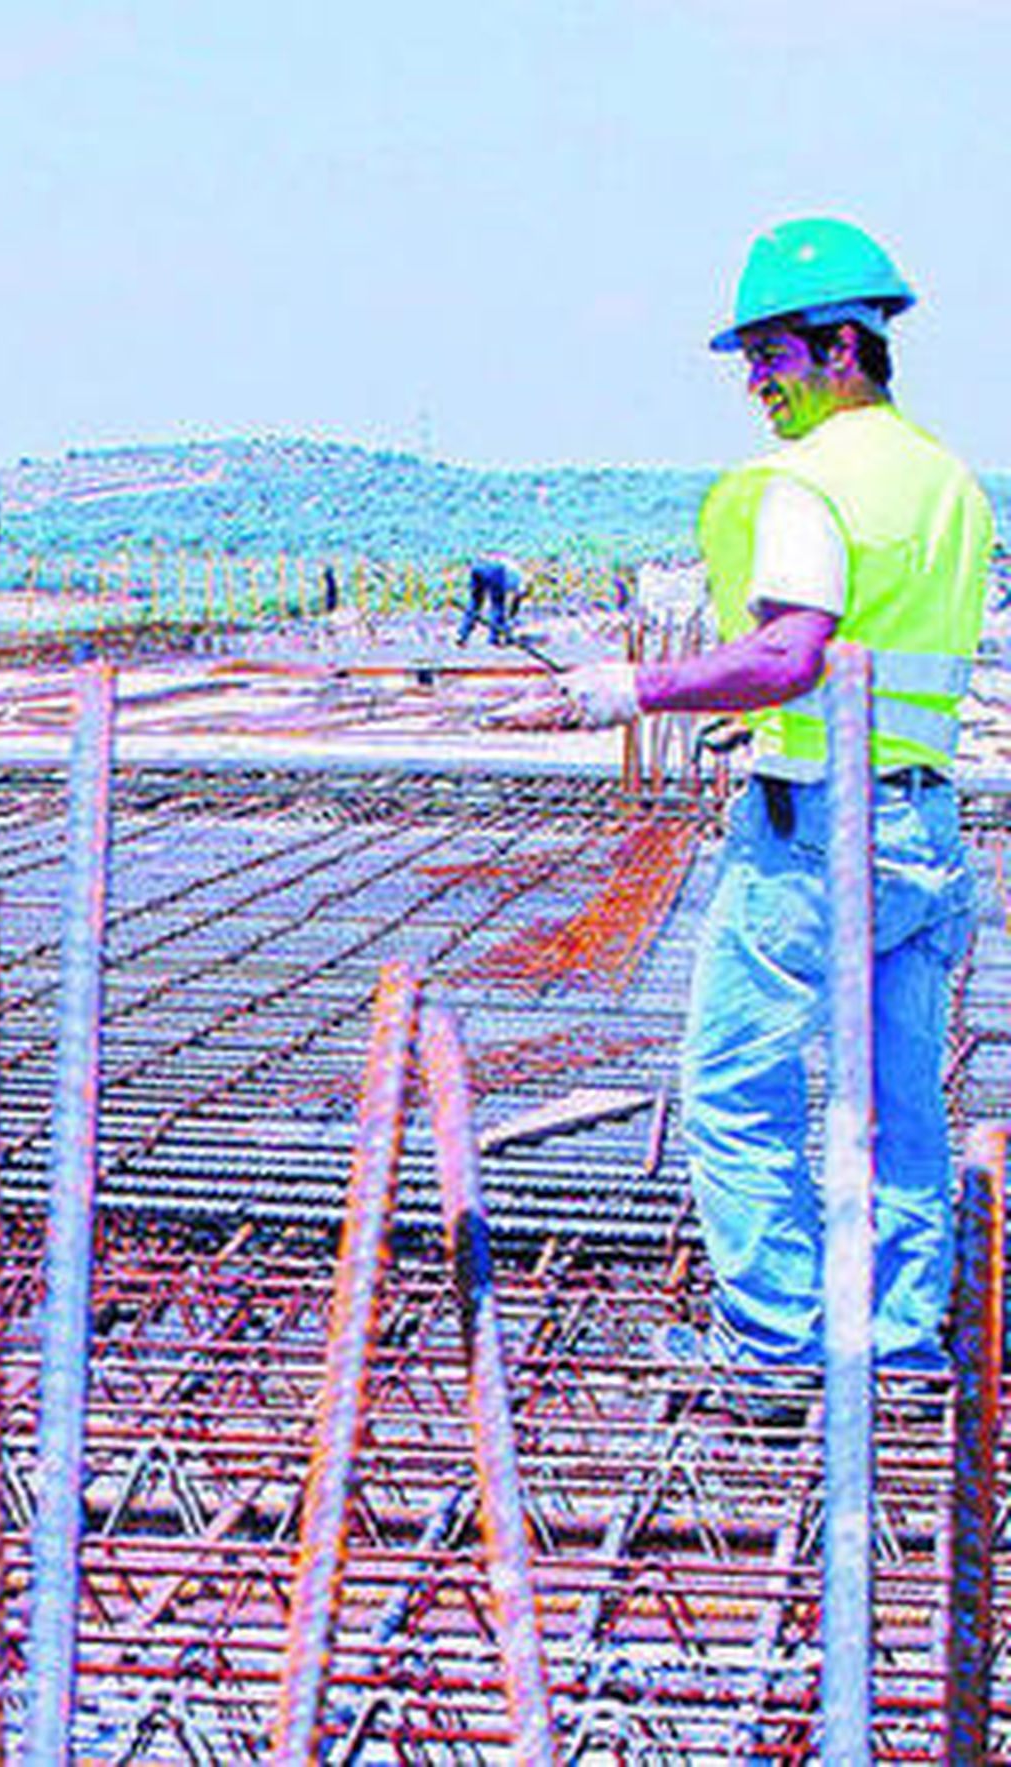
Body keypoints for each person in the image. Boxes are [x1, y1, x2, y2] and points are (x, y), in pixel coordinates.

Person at [496, 217, 994, 1383]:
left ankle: (772, 1350)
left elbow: (791, 654)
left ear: (841, 346)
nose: (756, 384)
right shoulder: (948, 483)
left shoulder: (803, 480)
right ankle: (900, 1340)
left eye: (770, 354)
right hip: (921, 819)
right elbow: (875, 655)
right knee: (900, 1100)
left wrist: (624, 690)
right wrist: (759, 708)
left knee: (734, 1088)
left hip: (814, 832)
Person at [457, 556, 522, 646]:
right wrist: (511, 621)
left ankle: (462, 634)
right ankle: (493, 637)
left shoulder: (514, 570)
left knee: (475, 601)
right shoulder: (519, 580)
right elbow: (515, 602)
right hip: (495, 569)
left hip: (478, 566)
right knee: (497, 605)